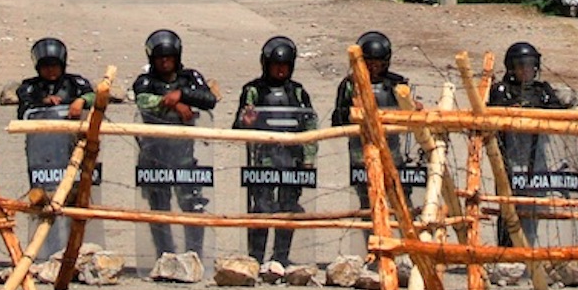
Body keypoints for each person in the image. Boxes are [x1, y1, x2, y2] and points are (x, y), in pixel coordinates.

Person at [132, 30, 218, 261]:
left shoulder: (190, 78)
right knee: (159, 210)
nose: (164, 62)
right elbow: (142, 100)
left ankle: (194, 256)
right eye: (160, 58)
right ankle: (164, 257)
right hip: (154, 156)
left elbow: (208, 99)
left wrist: (181, 94)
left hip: (184, 157)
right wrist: (171, 104)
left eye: (169, 57)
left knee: (193, 206)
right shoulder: (146, 81)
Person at [234, 35, 317, 266]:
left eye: (285, 66)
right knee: (261, 208)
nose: (280, 70)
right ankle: (256, 258)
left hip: (292, 160)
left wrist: (309, 158)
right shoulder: (253, 90)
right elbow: (238, 125)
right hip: (263, 161)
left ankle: (280, 258)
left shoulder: (298, 92)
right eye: (276, 65)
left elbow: (310, 123)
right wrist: (247, 122)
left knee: (288, 209)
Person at [13, 37, 94, 254]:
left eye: (55, 66)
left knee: (74, 201)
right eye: (46, 67)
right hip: (43, 155)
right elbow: (24, 108)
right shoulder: (30, 87)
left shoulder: (76, 84)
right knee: (45, 205)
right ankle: (47, 251)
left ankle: (75, 251)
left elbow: (97, 95)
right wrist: (43, 102)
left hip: (71, 152)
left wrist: (81, 101)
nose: (51, 71)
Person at [488, 41, 572, 244]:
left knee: (533, 208)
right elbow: (497, 109)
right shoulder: (502, 89)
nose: (526, 70)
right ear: (511, 67)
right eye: (521, 65)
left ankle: (528, 254)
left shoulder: (542, 90)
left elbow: (556, 109)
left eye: (530, 66)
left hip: (537, 157)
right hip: (510, 158)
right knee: (508, 208)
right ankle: (506, 253)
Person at [331, 31, 413, 213]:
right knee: (369, 206)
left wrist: (413, 108)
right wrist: (351, 112)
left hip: (393, 153)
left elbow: (410, 115)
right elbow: (337, 121)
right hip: (361, 155)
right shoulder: (349, 85)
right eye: (369, 64)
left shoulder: (396, 84)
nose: (374, 68)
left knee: (403, 201)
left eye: (378, 64)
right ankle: (372, 240)